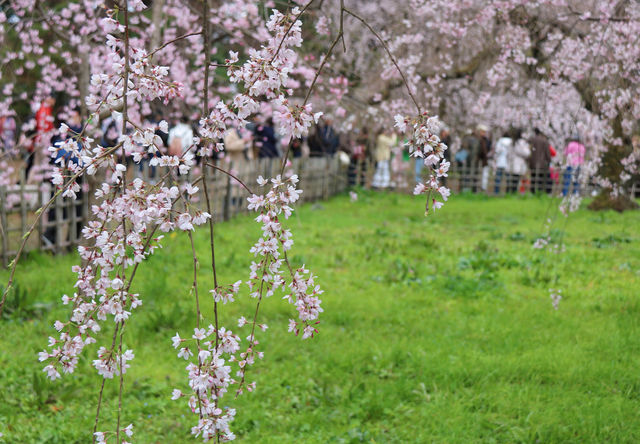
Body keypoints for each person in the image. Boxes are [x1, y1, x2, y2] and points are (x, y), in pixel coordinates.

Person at [505, 129, 531, 193]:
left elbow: (507, 154)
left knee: (509, 182)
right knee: (515, 181)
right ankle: (512, 194)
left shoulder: (511, 142)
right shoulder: (520, 143)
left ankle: (508, 194)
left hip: (510, 164)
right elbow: (526, 153)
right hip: (517, 165)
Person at [529, 128, 552, 193]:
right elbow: (547, 153)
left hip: (533, 162)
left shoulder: (532, 140)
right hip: (542, 163)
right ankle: (539, 192)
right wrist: (549, 160)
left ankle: (532, 192)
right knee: (541, 178)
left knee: (533, 178)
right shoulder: (544, 141)